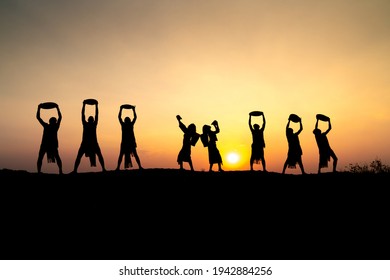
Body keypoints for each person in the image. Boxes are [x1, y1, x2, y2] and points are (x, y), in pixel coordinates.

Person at [73, 100, 106, 173]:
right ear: (90, 120)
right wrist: (87, 105)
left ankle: (103, 169)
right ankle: (75, 170)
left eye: (91, 119)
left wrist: (86, 105)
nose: (91, 119)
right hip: (86, 143)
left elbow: (94, 115)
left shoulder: (91, 124)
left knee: (99, 155)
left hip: (92, 143)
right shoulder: (87, 124)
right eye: (91, 119)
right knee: (79, 156)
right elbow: (84, 114)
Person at [36, 103, 63, 174]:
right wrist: (57, 108)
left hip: (50, 144)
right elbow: (60, 117)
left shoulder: (50, 126)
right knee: (41, 157)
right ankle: (60, 171)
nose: (53, 121)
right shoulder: (52, 126)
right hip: (46, 144)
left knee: (42, 157)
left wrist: (39, 108)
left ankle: (60, 171)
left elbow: (38, 117)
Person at [116, 105, 143, 170]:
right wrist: (133, 110)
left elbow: (119, 117)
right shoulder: (129, 125)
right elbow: (135, 117)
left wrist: (121, 109)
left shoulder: (125, 125)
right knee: (124, 155)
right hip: (127, 142)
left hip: (128, 142)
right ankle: (139, 167)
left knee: (122, 155)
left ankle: (118, 168)